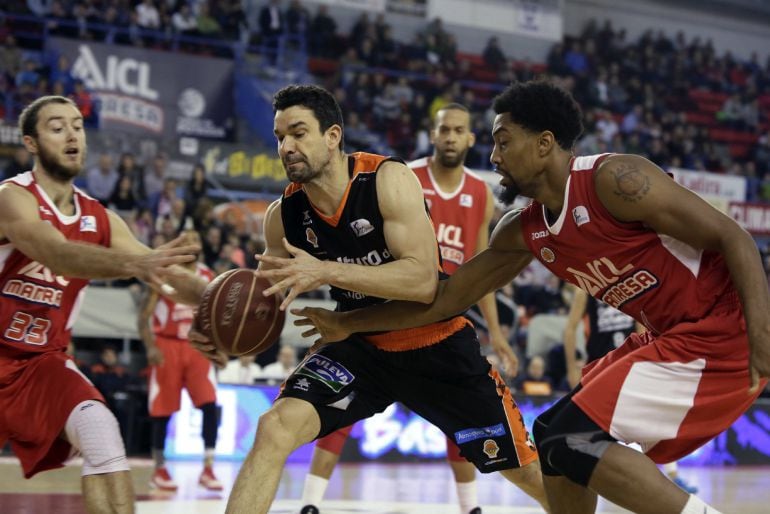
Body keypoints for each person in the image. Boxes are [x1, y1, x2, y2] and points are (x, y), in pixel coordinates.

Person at [292, 80, 770, 514]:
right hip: (674, 336)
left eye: (504, 142)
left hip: (722, 328)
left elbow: (735, 238)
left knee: (568, 434)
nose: (495, 157)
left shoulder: (615, 180)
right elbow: (442, 300)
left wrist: (763, 337)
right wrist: (348, 323)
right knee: (554, 444)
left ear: (544, 144)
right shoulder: (524, 229)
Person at [190, 84, 548, 514]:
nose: (286, 146)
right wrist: (206, 318)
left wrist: (325, 270)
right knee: (273, 428)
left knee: (526, 471)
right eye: (280, 137)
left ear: (333, 136)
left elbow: (422, 282)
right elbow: (258, 295)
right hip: (359, 347)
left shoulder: (386, 180)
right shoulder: (282, 216)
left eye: (299, 133)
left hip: (434, 341)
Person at [298, 103, 520, 514]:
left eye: (459, 131)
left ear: (472, 139)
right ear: (432, 135)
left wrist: (498, 334)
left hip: (440, 316)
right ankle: (309, 504)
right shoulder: (400, 175)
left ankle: (470, 507)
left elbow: (482, 269)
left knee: (460, 419)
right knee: (338, 408)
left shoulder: (480, 194)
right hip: (378, 308)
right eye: (444, 130)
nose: (451, 137)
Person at [0, 95, 205, 514]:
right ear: (32, 143)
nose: (72, 134)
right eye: (57, 127)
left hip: (42, 362)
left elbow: (163, 276)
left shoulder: (102, 218)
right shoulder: (11, 197)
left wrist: (229, 296)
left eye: (77, 125)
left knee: (102, 433)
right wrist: (136, 262)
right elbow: (57, 253)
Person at [564, 288, 698, 494]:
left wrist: (649, 361)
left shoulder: (629, 285)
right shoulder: (586, 291)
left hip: (629, 363)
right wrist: (571, 366)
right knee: (591, 429)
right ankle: (592, 476)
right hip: (600, 365)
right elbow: (570, 328)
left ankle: (672, 476)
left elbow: (642, 327)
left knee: (654, 420)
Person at [137, 229, 223, 492]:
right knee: (163, 410)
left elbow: (218, 319)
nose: (191, 242)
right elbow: (143, 315)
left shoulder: (209, 276)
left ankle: (208, 468)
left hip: (197, 347)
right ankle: (159, 469)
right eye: (185, 238)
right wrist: (150, 346)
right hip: (167, 345)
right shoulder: (165, 272)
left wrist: (220, 349)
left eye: (195, 238)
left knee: (210, 405)